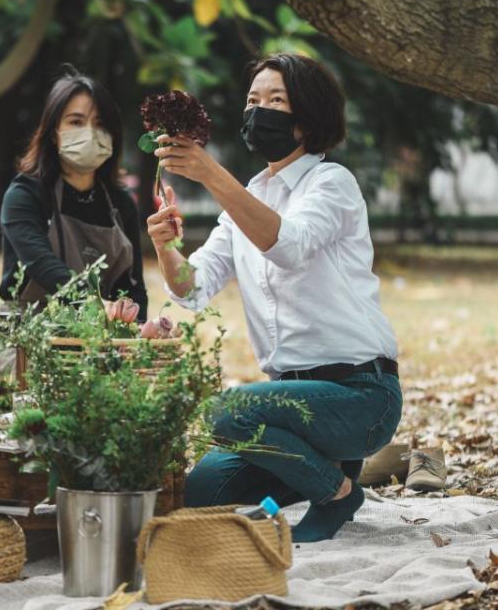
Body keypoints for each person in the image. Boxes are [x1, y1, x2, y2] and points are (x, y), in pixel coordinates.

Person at [146, 54, 401, 542]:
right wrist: (165, 246)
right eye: (252, 101)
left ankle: (336, 492)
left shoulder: (332, 183)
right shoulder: (248, 197)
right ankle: (320, 470)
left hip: (359, 398)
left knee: (224, 411)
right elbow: (193, 289)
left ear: (306, 119)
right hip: (288, 404)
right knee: (197, 494)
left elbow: (286, 245)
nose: (258, 111)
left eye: (275, 101)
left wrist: (210, 175)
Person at [0, 68, 148, 319]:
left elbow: (133, 289)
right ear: (54, 133)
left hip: (100, 337)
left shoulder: (122, 205)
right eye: (76, 122)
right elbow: (42, 265)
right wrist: (98, 306)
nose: (89, 133)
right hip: (29, 334)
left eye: (100, 124)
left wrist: (135, 327)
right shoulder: (25, 195)